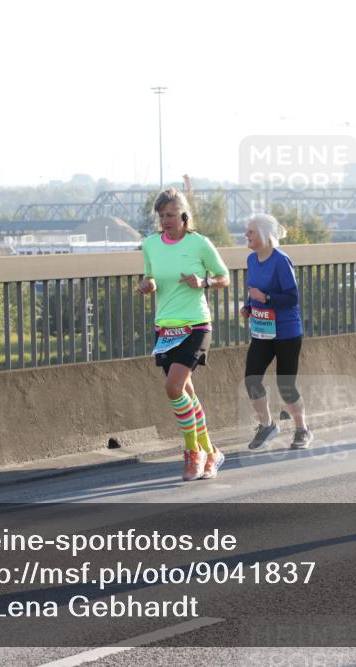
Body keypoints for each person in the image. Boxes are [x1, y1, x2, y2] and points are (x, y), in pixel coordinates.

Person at [137, 188, 230, 482]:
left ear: (184, 216)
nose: (166, 220)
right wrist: (147, 285)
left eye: (171, 215)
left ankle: (193, 451)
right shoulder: (150, 244)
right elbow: (150, 276)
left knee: (173, 387)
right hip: (165, 327)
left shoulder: (199, 243)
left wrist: (203, 281)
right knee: (187, 392)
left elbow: (224, 277)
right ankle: (211, 451)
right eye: (161, 215)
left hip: (196, 325)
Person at [240, 214, 312, 450]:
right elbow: (254, 291)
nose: (246, 235)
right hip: (262, 330)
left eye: (251, 232)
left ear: (264, 234)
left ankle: (302, 429)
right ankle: (267, 425)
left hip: (287, 331)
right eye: (247, 231)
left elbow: (292, 297)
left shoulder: (281, 260)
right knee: (251, 378)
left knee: (286, 384)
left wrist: (267, 298)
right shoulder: (252, 260)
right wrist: (249, 306)